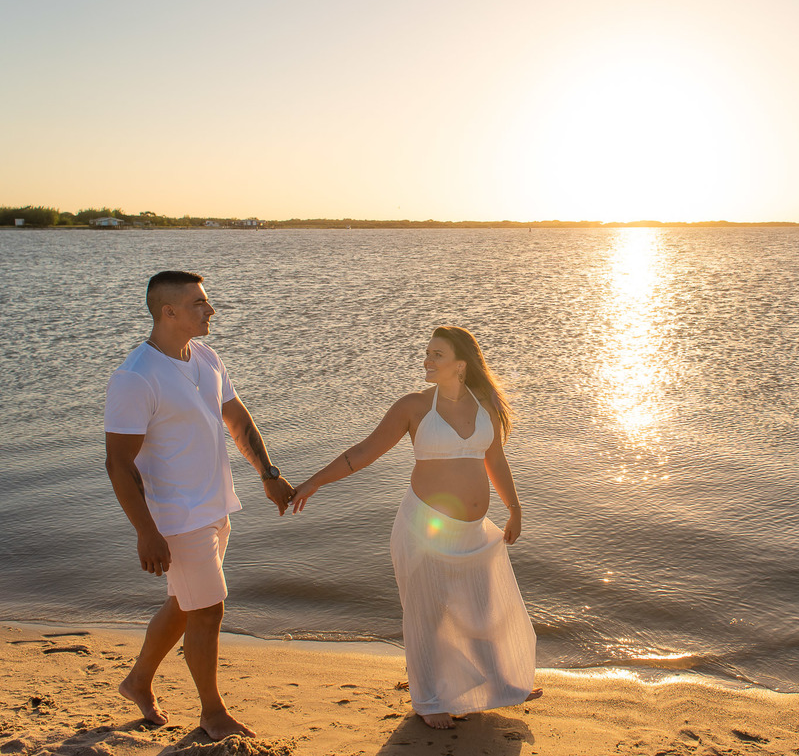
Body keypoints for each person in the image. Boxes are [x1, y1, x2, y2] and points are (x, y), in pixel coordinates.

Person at [291, 325, 540, 729]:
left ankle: (501, 683)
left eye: (436, 355)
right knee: (427, 615)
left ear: (461, 364)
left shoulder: (485, 405)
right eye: (427, 353)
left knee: (482, 608)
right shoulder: (414, 407)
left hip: (472, 533)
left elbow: (494, 460)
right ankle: (428, 700)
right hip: (424, 527)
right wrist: (315, 481)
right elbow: (363, 452)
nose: (426, 360)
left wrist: (514, 508)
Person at [104, 271, 295, 740]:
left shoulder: (206, 357)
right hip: (176, 517)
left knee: (185, 605)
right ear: (168, 312)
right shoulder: (135, 377)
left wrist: (268, 475)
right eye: (199, 304)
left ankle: (137, 682)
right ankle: (212, 712)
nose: (210, 310)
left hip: (215, 506)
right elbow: (118, 464)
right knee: (209, 608)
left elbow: (236, 419)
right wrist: (146, 531)